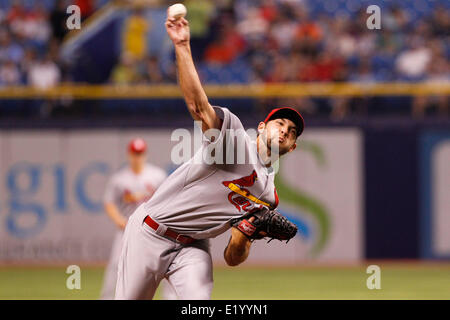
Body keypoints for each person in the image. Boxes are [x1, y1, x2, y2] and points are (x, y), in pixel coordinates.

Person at [114, 15, 304, 300]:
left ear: (291, 148)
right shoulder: (235, 143)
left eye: (291, 132)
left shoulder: (267, 196)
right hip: (150, 232)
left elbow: (232, 257)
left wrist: (247, 232)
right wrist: (182, 45)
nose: (285, 131)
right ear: (262, 127)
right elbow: (199, 107)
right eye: (280, 124)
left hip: (194, 247)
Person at [100, 138, 169, 299]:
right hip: (127, 230)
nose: (137, 157)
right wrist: (119, 220)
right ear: (129, 154)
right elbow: (109, 203)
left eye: (140, 153)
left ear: (145, 154)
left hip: (152, 230)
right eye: (134, 153)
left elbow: (167, 200)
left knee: (166, 265)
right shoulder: (119, 179)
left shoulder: (157, 176)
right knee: (116, 266)